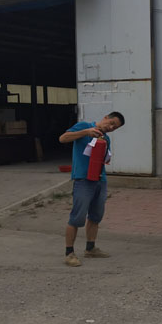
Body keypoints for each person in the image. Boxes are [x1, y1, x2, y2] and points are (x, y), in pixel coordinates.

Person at [58, 112, 125, 267]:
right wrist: (86, 132)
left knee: (96, 215)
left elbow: (103, 159)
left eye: (115, 128)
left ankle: (91, 248)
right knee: (77, 217)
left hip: (100, 180)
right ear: (106, 117)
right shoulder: (84, 126)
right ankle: (69, 253)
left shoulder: (105, 138)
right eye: (111, 123)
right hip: (83, 180)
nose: (111, 128)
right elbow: (63, 138)